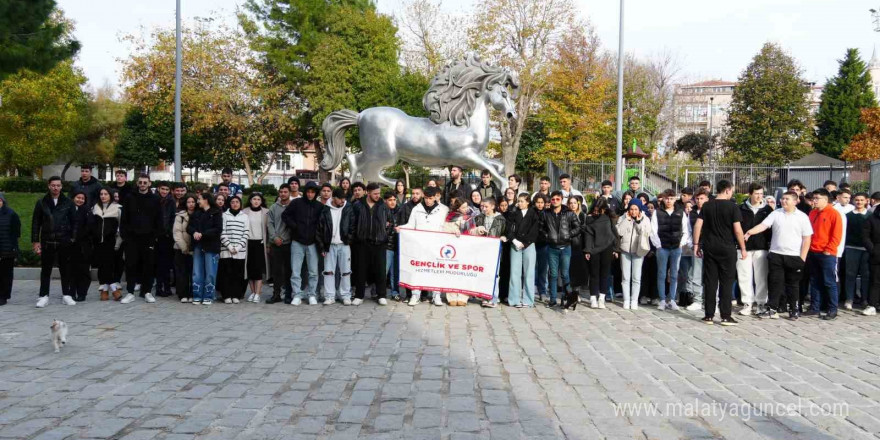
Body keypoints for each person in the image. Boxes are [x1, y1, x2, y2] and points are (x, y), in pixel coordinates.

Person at [743, 191, 812, 320]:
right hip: (776, 254)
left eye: (787, 199)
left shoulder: (802, 217)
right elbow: (763, 225)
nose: (784, 201)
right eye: (783, 198)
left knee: (793, 284)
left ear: (795, 201)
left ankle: (794, 309)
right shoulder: (776, 213)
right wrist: (750, 232)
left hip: (794, 256)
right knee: (775, 283)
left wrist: (802, 258)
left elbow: (807, 239)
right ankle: (772, 309)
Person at [692, 180, 747, 326]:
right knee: (726, 282)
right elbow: (737, 229)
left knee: (710, 281)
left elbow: (698, 225)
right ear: (728, 190)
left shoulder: (707, 205)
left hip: (710, 247)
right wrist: (743, 247)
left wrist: (696, 244)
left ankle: (709, 315)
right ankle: (725, 316)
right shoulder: (733, 207)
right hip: (727, 248)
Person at [400, 186, 449, 306]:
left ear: (435, 198)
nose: (428, 200)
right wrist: (401, 228)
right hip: (419, 246)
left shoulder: (443, 210)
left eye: (430, 198)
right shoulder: (417, 209)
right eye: (426, 198)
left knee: (436, 270)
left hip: (436, 246)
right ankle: (415, 295)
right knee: (417, 270)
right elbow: (411, 225)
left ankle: (436, 295)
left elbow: (446, 226)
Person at [32, 177, 77, 308]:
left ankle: (66, 295)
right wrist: (35, 241)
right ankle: (43, 296)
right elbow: (36, 223)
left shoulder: (68, 202)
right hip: (47, 241)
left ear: (61, 186)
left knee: (65, 269)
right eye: (53, 185)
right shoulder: (41, 203)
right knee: (46, 270)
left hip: (64, 240)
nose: (55, 188)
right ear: (49, 186)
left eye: (58, 185)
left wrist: (72, 239)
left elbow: (74, 223)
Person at [120, 174, 162, 304]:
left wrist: (154, 237)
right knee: (131, 265)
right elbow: (124, 219)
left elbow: (158, 219)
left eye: (145, 182)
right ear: (137, 184)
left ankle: (147, 291)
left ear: (149, 184)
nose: (143, 185)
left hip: (148, 238)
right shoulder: (129, 197)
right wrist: (125, 236)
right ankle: (131, 292)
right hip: (131, 238)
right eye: (140, 182)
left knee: (148, 265)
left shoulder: (155, 199)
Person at [804, 188, 844, 320]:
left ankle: (833, 309)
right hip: (813, 251)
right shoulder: (812, 213)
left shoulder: (834, 214)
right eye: (813, 198)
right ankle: (815, 308)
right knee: (814, 281)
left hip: (827, 253)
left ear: (825, 200)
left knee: (829, 282)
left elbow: (837, 235)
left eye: (817, 198)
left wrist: (829, 249)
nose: (814, 201)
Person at [351, 183, 393, 306]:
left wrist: (385, 236)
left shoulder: (383, 206)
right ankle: (359, 295)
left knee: (380, 270)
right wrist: (356, 238)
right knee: (361, 270)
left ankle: (381, 295)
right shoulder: (358, 205)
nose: (378, 196)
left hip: (379, 243)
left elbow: (390, 223)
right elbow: (353, 224)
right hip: (362, 243)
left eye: (379, 193)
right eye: (375, 193)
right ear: (368, 193)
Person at [283, 181, 324, 305]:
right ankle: (297, 295)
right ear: (305, 192)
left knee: (313, 271)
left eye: (313, 192)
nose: (310, 194)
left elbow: (323, 223)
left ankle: (312, 294)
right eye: (308, 192)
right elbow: (285, 216)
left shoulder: (319, 206)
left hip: (312, 243)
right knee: (295, 271)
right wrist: (295, 227)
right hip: (297, 241)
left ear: (316, 193)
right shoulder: (296, 203)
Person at [650, 189, 690, 311]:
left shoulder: (680, 212)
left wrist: (681, 244)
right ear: (663, 199)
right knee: (661, 274)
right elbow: (653, 231)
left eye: (671, 198)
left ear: (675, 199)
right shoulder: (657, 212)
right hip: (662, 248)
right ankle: (662, 299)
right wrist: (658, 245)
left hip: (676, 248)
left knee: (674, 275)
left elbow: (685, 230)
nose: (669, 201)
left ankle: (672, 299)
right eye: (667, 198)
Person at [736, 183, 773, 316]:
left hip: (761, 247)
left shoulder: (768, 210)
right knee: (744, 276)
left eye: (761, 193)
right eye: (756, 193)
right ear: (750, 194)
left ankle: (761, 303)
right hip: (743, 247)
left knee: (761, 276)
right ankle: (747, 303)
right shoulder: (740, 208)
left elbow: (770, 229)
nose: (759, 196)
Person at [541, 191, 581, 307]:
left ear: (562, 199)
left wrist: (569, 234)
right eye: (553, 199)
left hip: (566, 247)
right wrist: (547, 236)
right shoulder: (546, 213)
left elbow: (578, 227)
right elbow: (541, 227)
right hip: (552, 248)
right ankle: (553, 299)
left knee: (565, 274)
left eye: (557, 199)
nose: (554, 201)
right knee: (553, 275)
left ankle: (568, 298)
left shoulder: (568, 213)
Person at [317, 188, 354, 305]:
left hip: (344, 245)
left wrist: (348, 239)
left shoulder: (348, 208)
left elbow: (353, 226)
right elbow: (320, 229)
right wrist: (322, 247)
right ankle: (329, 296)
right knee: (328, 271)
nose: (343, 202)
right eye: (340, 199)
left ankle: (345, 295)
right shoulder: (325, 209)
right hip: (330, 245)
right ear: (334, 198)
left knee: (346, 271)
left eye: (344, 199)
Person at [188, 193, 223, 305]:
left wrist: (202, 234)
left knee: (210, 272)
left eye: (199, 199)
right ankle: (197, 295)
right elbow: (189, 226)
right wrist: (194, 232)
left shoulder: (216, 213)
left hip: (211, 247)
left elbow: (218, 229)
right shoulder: (197, 213)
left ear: (206, 200)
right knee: (196, 272)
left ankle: (209, 296)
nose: (198, 201)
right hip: (198, 245)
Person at [617, 199, 651, 310]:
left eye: (636, 209)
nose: (633, 211)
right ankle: (626, 300)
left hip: (638, 251)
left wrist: (638, 221)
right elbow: (619, 232)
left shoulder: (645, 219)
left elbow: (646, 233)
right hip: (625, 250)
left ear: (639, 209)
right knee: (625, 277)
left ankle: (634, 300)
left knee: (636, 277)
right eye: (631, 209)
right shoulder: (623, 217)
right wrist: (626, 220)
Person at [507, 194, 540, 308]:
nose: (519, 203)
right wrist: (514, 241)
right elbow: (509, 228)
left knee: (529, 273)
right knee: (514, 273)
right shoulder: (513, 214)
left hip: (529, 245)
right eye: (518, 201)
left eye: (522, 201)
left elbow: (534, 231)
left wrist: (525, 243)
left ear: (527, 202)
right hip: (515, 244)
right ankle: (514, 299)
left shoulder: (533, 214)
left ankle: (528, 300)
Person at [473, 197, 507, 307]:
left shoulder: (500, 219)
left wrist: (503, 237)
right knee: (484, 272)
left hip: (495, 249)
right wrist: (478, 230)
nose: (483, 209)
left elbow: (504, 232)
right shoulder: (479, 218)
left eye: (486, 206)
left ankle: (493, 298)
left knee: (495, 274)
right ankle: (484, 296)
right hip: (482, 248)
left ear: (492, 206)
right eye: (482, 206)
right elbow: (473, 231)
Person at [584, 197, 617, 309]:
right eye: (596, 209)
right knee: (594, 274)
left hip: (607, 248)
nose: (597, 212)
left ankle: (602, 298)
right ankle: (593, 297)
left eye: (600, 210)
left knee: (605, 274)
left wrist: (616, 249)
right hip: (594, 249)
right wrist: (587, 250)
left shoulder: (609, 217)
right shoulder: (589, 219)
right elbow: (588, 235)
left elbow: (614, 233)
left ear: (604, 208)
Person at [444, 197, 476, 306]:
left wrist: (478, 230)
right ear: (458, 208)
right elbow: (444, 228)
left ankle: (463, 296)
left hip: (466, 247)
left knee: (465, 272)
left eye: (466, 206)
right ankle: (451, 295)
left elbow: (472, 230)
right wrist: (454, 230)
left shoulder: (470, 217)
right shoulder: (450, 217)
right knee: (452, 272)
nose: (466, 209)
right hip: (453, 247)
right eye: (463, 207)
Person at [266, 184, 293, 304]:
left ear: (289, 193)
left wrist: (283, 238)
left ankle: (288, 294)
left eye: (285, 192)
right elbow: (269, 224)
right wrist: (274, 237)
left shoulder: (294, 207)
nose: (283, 194)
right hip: (275, 244)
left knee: (289, 270)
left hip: (289, 243)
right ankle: (276, 294)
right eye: (281, 192)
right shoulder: (273, 207)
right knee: (276, 271)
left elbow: (293, 225)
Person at [219, 196, 249, 304]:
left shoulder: (245, 216)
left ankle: (235, 295)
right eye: (233, 202)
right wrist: (230, 247)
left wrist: (238, 247)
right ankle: (226, 295)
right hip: (226, 250)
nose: (235, 204)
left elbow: (246, 233)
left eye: (237, 202)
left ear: (240, 204)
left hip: (240, 251)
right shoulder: (224, 215)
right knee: (226, 273)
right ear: (229, 204)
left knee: (238, 273)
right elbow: (222, 232)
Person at [844, 193, 871, 310]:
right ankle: (849, 298)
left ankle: (864, 299)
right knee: (850, 274)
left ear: (866, 201)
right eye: (857, 200)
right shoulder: (848, 216)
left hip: (866, 250)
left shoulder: (870, 216)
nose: (859, 202)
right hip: (851, 248)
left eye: (861, 200)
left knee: (866, 275)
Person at [685, 190, 709, 311]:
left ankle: (711, 301)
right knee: (696, 274)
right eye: (698, 199)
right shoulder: (692, 212)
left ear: (707, 199)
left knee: (711, 275)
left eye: (702, 198)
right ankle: (697, 300)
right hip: (697, 247)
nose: (700, 201)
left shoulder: (712, 210)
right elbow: (689, 230)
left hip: (710, 246)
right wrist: (692, 244)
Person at [66, 190, 92, 302]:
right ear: (73, 198)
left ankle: (82, 293)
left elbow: (89, 228)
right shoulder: (67, 210)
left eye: (82, 198)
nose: (80, 200)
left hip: (83, 246)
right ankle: (71, 292)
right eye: (78, 197)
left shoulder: (88, 211)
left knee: (83, 271)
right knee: (71, 270)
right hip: (70, 246)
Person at [245, 193, 269, 303]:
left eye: (258, 199)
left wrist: (268, 244)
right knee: (249, 269)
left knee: (258, 269)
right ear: (250, 200)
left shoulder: (266, 212)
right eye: (254, 199)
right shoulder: (244, 212)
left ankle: (258, 293)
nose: (256, 201)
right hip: (247, 243)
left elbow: (268, 229)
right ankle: (253, 292)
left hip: (260, 243)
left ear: (261, 201)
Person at [155, 181, 177, 298]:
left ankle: (167, 287)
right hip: (156, 236)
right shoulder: (154, 199)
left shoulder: (171, 201)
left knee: (166, 263)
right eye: (162, 189)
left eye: (166, 190)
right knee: (159, 264)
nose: (164, 191)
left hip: (167, 236)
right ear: (159, 189)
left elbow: (173, 217)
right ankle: (159, 287)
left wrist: (168, 232)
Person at [173, 194, 196, 303]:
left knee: (193, 272)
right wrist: (184, 247)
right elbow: (176, 232)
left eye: (193, 202)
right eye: (189, 202)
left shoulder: (199, 215)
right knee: (182, 272)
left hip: (194, 249)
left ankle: (192, 293)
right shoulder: (180, 216)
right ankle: (183, 294)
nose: (191, 204)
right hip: (180, 248)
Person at [566, 196, 589, 299]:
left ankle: (576, 292)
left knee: (578, 270)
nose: (572, 205)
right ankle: (568, 291)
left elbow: (584, 229)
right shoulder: (565, 215)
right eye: (570, 203)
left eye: (574, 203)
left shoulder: (583, 216)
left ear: (578, 204)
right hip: (568, 243)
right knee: (568, 269)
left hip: (579, 245)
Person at [0, 193, 20, 306]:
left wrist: (13, 249)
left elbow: (16, 232)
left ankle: (4, 296)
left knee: (6, 274)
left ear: (3, 201)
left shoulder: (11, 214)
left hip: (7, 250)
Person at [862, 202, 880, 316]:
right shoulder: (871, 219)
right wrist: (873, 250)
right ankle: (872, 304)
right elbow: (865, 237)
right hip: (876, 254)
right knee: (875, 281)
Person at [532, 194, 550, 302]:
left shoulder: (547, 213)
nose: (540, 204)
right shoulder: (531, 213)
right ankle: (533, 288)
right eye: (538, 202)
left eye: (542, 202)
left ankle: (542, 291)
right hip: (532, 243)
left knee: (543, 269)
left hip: (544, 244)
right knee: (533, 268)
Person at [384, 192, 401, 301]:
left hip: (398, 245)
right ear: (385, 200)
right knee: (383, 271)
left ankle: (395, 292)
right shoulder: (381, 211)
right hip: (386, 246)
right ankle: (378, 292)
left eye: (394, 199)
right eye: (390, 200)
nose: (393, 202)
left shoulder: (400, 211)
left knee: (395, 272)